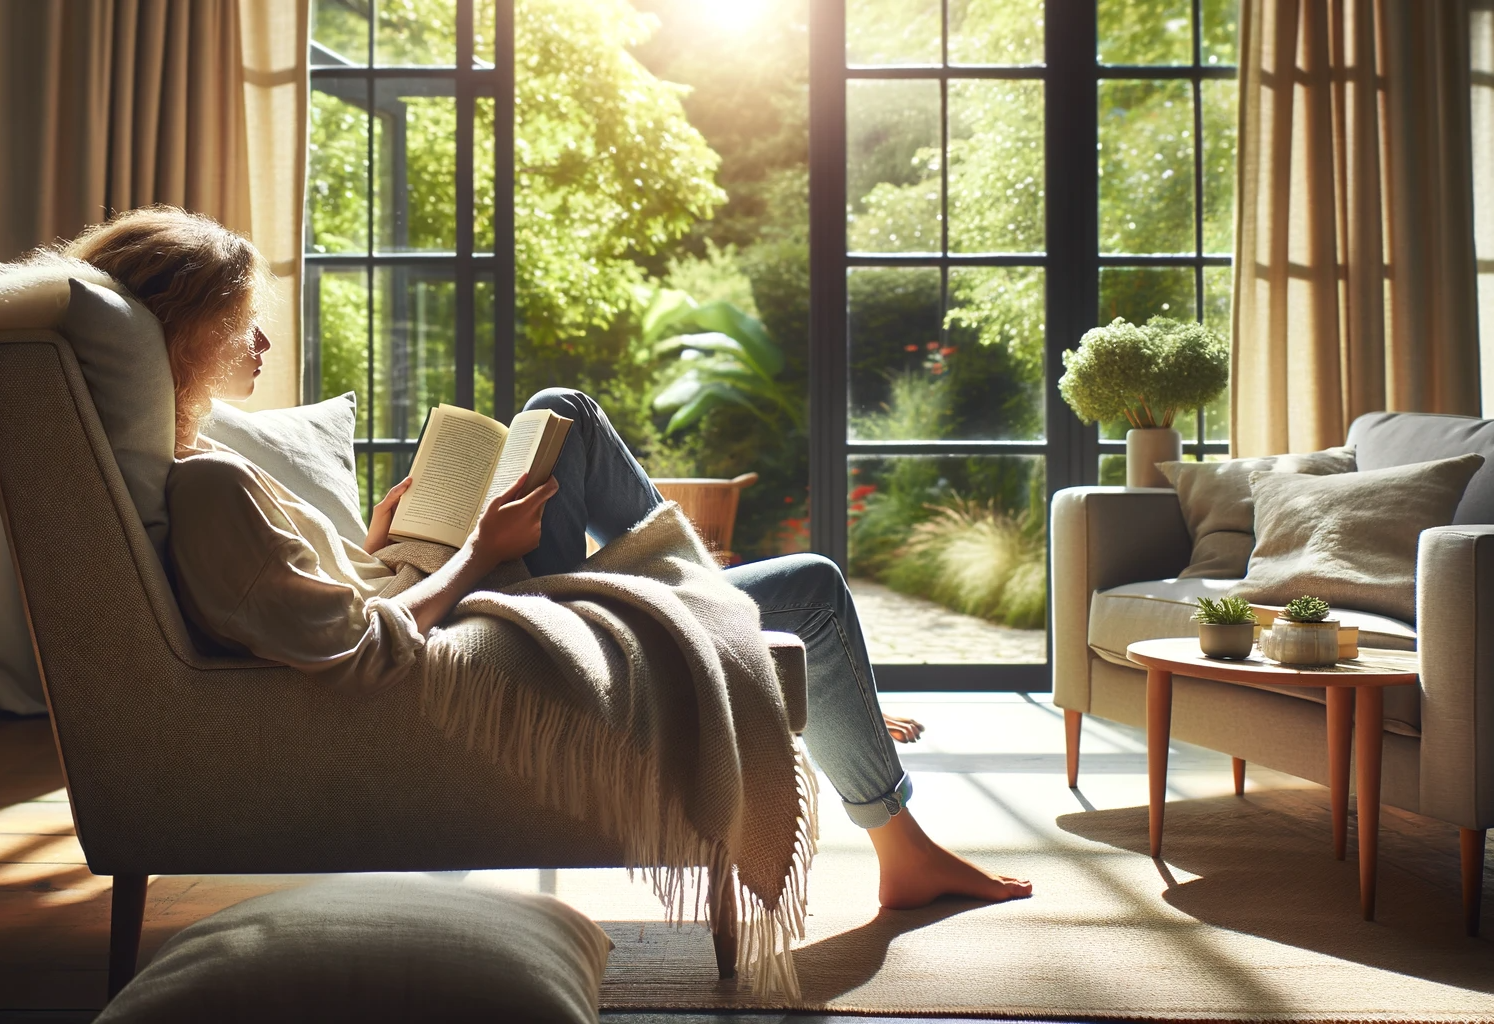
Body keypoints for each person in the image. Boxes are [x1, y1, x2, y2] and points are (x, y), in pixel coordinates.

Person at [69, 207, 1030, 910]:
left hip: (430, 583)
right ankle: (890, 830)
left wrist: (378, 544)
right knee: (813, 589)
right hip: (461, 622)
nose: (262, 339)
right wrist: (480, 548)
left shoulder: (200, 470)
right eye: (241, 320)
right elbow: (357, 653)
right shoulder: (205, 487)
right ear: (180, 332)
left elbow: (304, 602)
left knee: (564, 413)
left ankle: (736, 625)